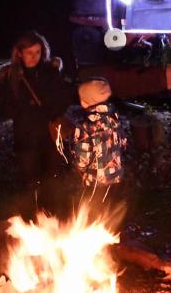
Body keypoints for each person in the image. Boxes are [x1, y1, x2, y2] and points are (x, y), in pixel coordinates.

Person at [0, 30, 72, 218]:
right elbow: (6, 108)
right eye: (29, 52)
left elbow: (62, 100)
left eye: (37, 52)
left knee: (52, 181)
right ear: (19, 53)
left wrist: (44, 107)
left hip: (50, 136)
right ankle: (31, 221)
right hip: (26, 138)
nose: (34, 57)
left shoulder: (50, 72)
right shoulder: (11, 76)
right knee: (29, 182)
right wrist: (27, 106)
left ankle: (53, 220)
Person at [53, 78, 127, 226]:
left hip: (94, 181)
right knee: (109, 214)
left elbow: (82, 160)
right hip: (116, 178)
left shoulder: (85, 126)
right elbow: (123, 143)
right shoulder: (115, 118)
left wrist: (76, 164)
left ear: (86, 101)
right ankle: (111, 239)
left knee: (92, 215)